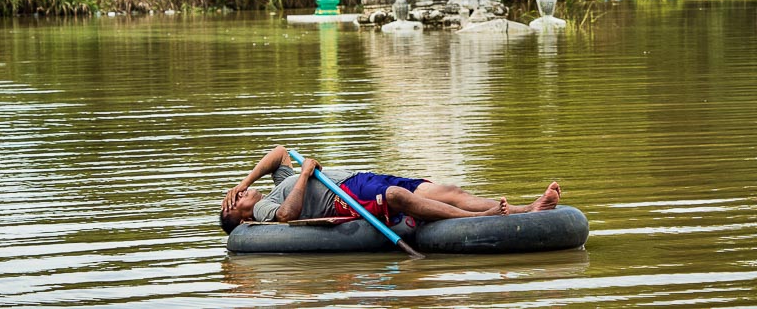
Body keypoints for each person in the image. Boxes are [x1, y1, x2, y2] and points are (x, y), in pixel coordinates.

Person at [220, 145, 561, 234]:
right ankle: (485, 218)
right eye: (234, 202)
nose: (239, 197)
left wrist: (244, 182)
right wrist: (307, 173)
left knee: (447, 189)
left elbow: (279, 152)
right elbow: (288, 215)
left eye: (236, 195)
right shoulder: (262, 213)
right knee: (401, 199)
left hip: (362, 178)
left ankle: (526, 210)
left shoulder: (278, 184)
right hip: (348, 196)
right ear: (240, 216)